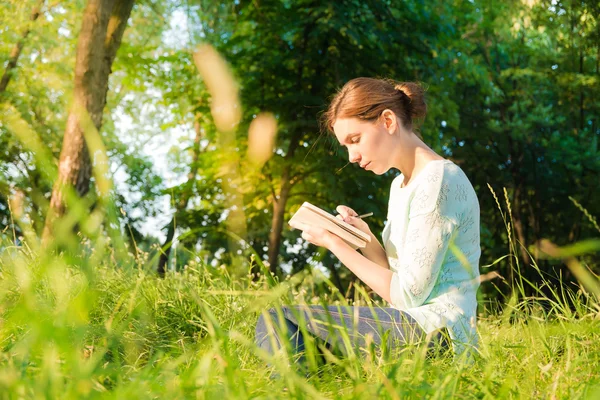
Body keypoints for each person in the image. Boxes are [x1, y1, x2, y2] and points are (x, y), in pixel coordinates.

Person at [255, 77, 481, 373]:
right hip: (412, 327)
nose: (351, 156)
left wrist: (334, 244)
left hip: (441, 335)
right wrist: (365, 239)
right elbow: (394, 280)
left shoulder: (438, 180)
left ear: (388, 120)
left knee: (279, 320)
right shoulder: (400, 186)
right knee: (301, 342)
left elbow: (408, 294)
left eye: (355, 139)